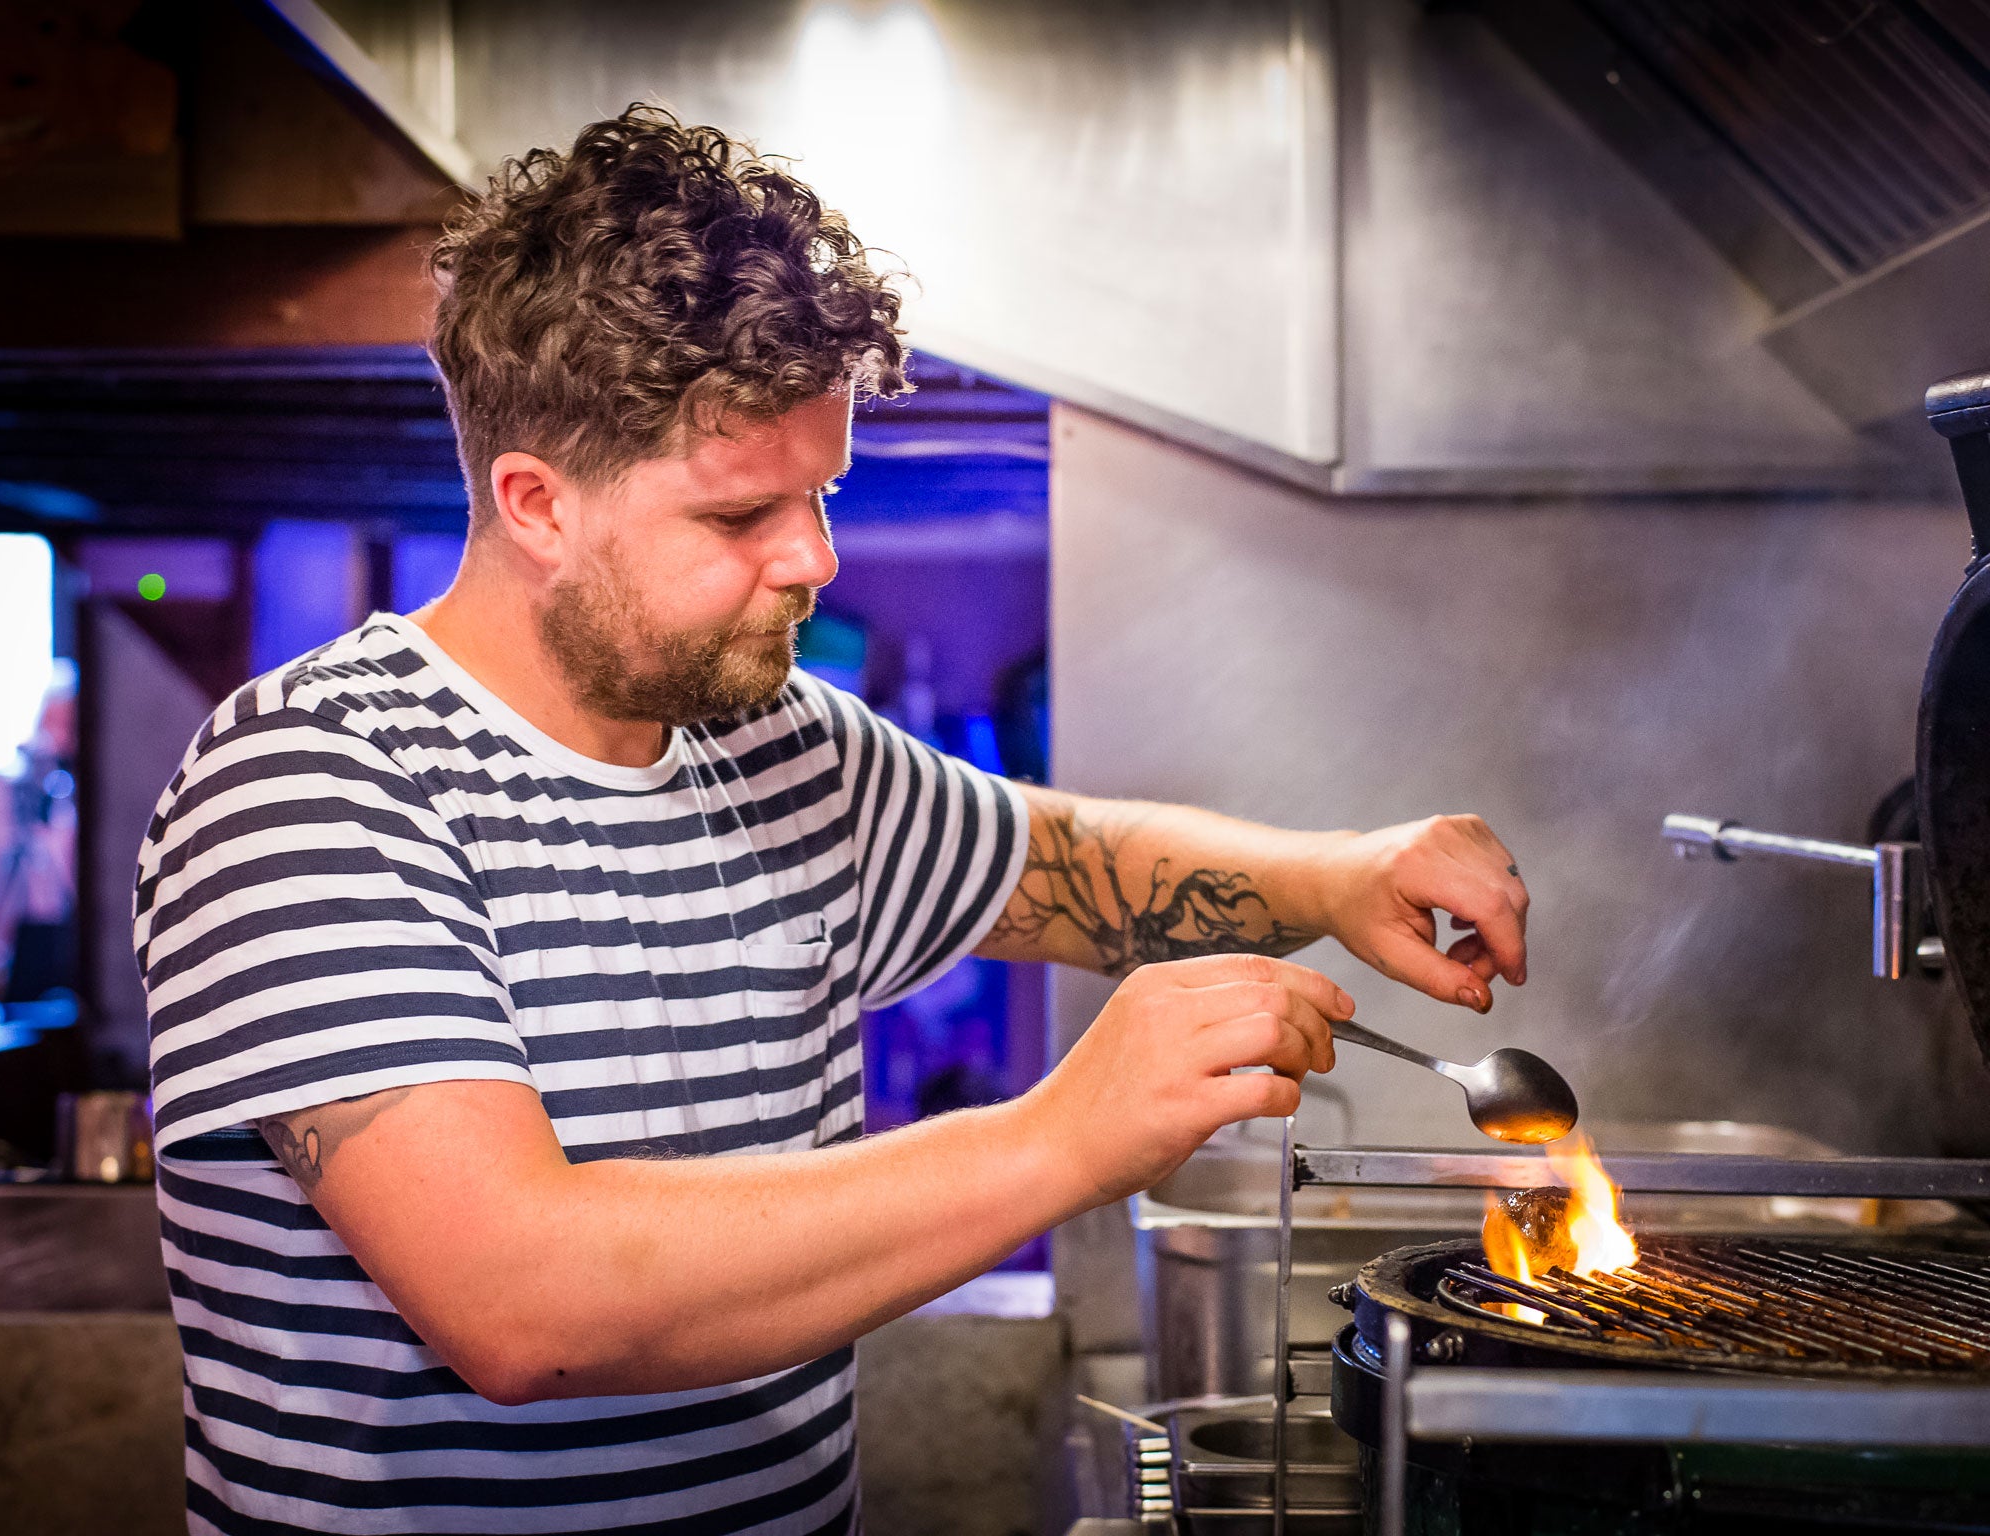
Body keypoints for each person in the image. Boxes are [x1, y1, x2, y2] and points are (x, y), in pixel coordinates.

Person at [135, 105, 1528, 1536]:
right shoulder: (309, 783)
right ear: (537, 504)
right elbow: (521, 1305)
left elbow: (1069, 866)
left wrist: (1342, 872)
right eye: (741, 518)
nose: (816, 556)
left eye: (821, 490)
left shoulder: (774, 746)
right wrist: (1063, 1136)